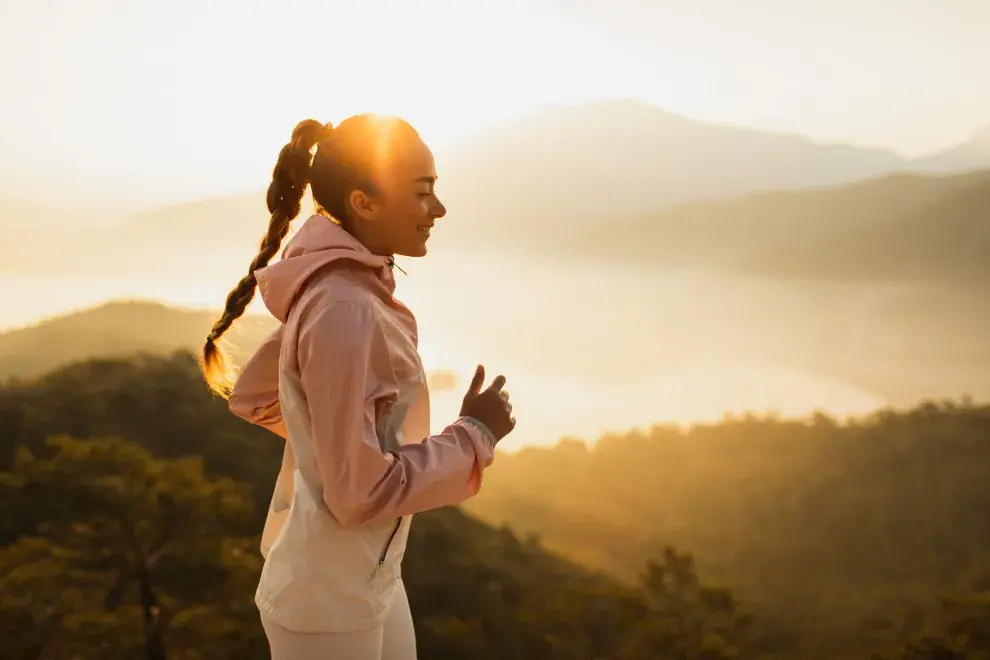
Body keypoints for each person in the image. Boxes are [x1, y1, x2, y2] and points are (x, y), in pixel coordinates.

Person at [200, 115, 516, 659]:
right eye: (422, 193)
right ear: (364, 203)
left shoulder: (338, 290)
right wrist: (474, 435)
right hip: (328, 601)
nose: (438, 210)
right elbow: (357, 492)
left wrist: (338, 441)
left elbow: (257, 397)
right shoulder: (344, 305)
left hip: (363, 576)